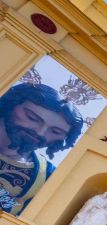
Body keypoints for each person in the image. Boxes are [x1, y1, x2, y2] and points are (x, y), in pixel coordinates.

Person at [0, 82, 84, 215]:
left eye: (55, 132)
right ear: (11, 104)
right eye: (32, 118)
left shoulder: (46, 175)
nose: (40, 132)